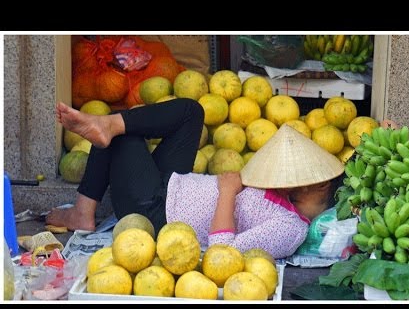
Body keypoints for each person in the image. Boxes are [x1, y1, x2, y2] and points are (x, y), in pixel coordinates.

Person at [47, 99, 344, 259]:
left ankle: (83, 213)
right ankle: (109, 122)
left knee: (122, 139)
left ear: (320, 185)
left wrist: (228, 191)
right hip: (174, 183)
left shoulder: (291, 229)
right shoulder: (286, 197)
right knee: (191, 112)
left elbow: (222, 250)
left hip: (157, 211)